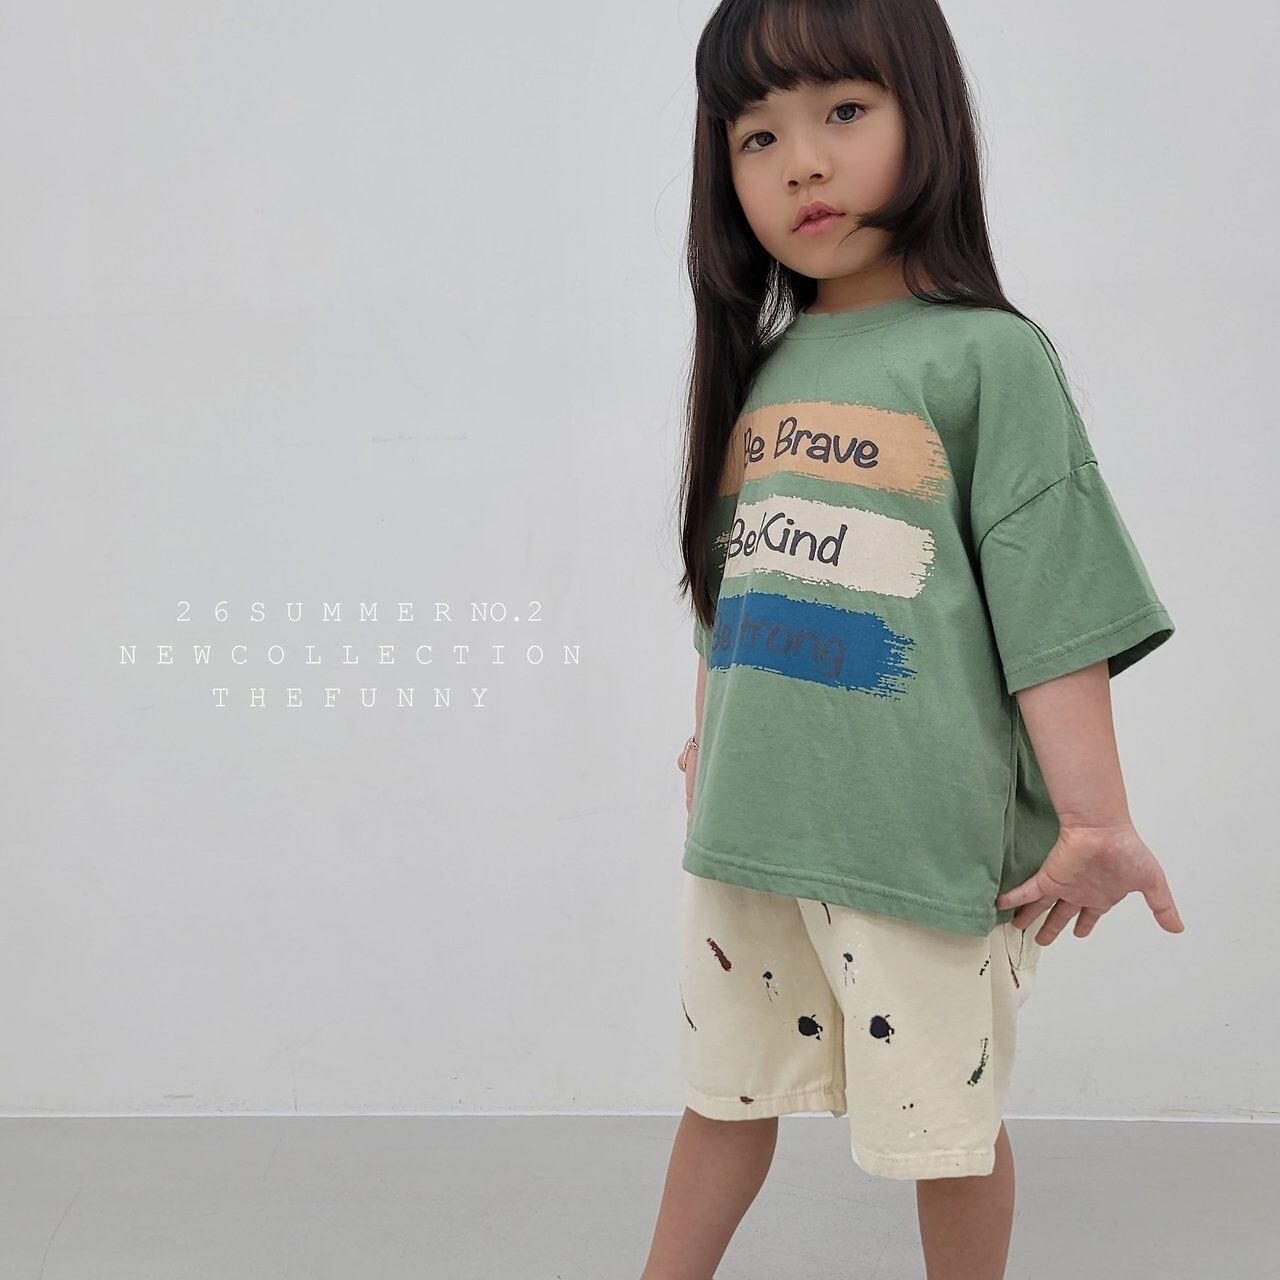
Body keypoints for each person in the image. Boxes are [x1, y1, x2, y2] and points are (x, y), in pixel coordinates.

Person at [642, 2, 1186, 1277]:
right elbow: (741, 578)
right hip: (752, 836)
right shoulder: (765, 367)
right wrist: (713, 732)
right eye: (755, 136)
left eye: (842, 111)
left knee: (945, 1126)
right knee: (723, 1093)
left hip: (913, 839)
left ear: (924, 116)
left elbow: (1053, 603)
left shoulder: (984, 356)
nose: (801, 163)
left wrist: (1092, 816)